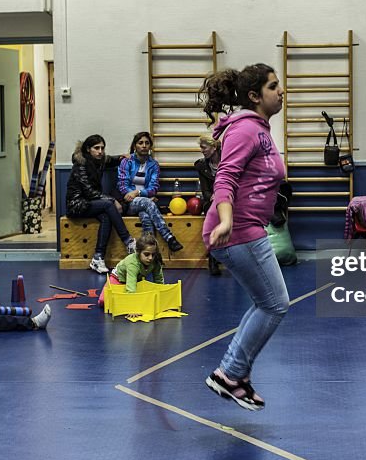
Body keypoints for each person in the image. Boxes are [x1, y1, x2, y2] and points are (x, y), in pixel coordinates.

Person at [199, 63, 288, 411]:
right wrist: (224, 221)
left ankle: (236, 374)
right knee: (276, 303)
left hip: (248, 229)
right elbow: (225, 180)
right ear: (255, 96)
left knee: (265, 303)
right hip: (236, 232)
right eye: (273, 86)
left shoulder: (258, 129)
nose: (280, 91)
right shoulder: (247, 130)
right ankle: (230, 373)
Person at [66, 134, 135, 274]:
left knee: (106, 216)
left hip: (90, 203)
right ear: (88, 149)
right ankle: (128, 241)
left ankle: (98, 258)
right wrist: (112, 200)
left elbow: (110, 160)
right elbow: (90, 192)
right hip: (77, 204)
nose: (100, 151)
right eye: (96, 148)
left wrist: (122, 157)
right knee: (109, 205)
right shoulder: (81, 164)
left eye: (102, 148)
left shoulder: (99, 160)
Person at [117, 132, 183, 252]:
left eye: (147, 143)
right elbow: (123, 185)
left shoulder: (154, 165)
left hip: (145, 202)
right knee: (147, 203)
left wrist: (139, 193)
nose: (144, 146)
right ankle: (169, 237)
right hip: (129, 203)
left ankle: (148, 252)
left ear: (150, 146)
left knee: (146, 216)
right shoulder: (126, 162)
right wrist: (138, 195)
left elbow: (153, 188)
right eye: (140, 143)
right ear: (134, 146)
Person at [194, 134, 222, 275]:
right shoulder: (202, 166)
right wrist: (212, 197)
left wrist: (222, 194)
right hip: (211, 201)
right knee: (213, 215)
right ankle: (213, 258)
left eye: (204, 147)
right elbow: (205, 190)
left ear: (214, 147)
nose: (201, 150)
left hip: (229, 197)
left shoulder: (229, 160)